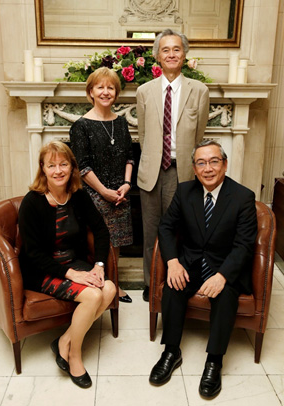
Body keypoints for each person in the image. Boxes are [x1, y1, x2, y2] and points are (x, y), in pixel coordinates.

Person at [149, 140, 258, 398]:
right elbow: (165, 227)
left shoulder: (243, 197)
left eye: (213, 161)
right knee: (174, 287)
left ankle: (214, 360)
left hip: (225, 265)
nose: (208, 168)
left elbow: (244, 245)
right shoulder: (185, 191)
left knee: (225, 295)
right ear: (194, 168)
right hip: (192, 261)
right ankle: (171, 351)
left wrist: (222, 276)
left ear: (225, 164)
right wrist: (173, 262)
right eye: (201, 163)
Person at [18, 141, 116, 389]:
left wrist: (99, 266)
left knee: (110, 288)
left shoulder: (79, 196)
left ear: (72, 167)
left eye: (63, 164)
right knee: (93, 296)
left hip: (73, 261)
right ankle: (74, 355)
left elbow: (101, 231)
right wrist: (72, 274)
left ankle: (63, 341)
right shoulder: (32, 202)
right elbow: (32, 253)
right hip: (42, 270)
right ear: (43, 169)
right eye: (51, 165)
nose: (58, 170)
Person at [136, 29, 210, 302]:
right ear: (157, 56)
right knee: (151, 230)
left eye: (176, 49)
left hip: (184, 172)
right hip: (152, 174)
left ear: (184, 54)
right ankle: (149, 281)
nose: (171, 54)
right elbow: (142, 135)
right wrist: (155, 158)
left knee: (182, 230)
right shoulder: (144, 91)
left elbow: (200, 133)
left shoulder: (199, 90)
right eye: (165, 49)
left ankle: (177, 280)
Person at [70, 67, 134, 303]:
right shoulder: (81, 126)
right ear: (91, 92)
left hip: (120, 192)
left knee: (116, 243)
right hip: (93, 194)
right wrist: (104, 192)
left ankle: (114, 284)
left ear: (115, 93)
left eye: (110, 87)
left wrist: (126, 184)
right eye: (100, 87)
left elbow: (129, 155)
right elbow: (82, 167)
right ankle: (102, 283)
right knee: (102, 240)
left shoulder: (122, 123)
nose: (106, 92)